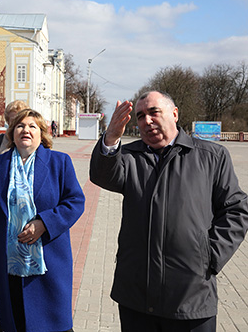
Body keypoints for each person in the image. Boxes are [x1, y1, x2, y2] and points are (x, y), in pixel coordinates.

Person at [89, 90, 248, 332]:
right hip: (136, 296)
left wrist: (210, 256)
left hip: (190, 297)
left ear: (174, 114)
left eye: (154, 112)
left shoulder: (211, 156)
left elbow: (236, 210)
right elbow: (101, 176)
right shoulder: (130, 157)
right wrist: (111, 138)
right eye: (140, 116)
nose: (147, 121)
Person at [0, 108, 85, 332]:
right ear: (12, 133)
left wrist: (45, 223)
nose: (26, 130)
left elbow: (75, 201)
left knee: (51, 323)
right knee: (14, 319)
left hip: (48, 259)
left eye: (32, 126)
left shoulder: (59, 162)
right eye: (20, 126)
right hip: (5, 258)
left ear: (42, 134)